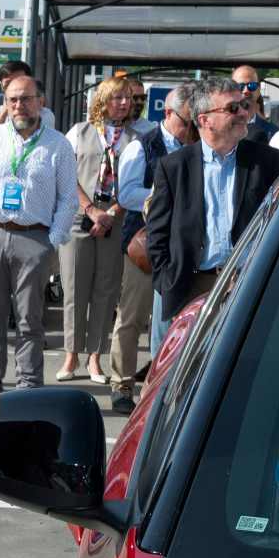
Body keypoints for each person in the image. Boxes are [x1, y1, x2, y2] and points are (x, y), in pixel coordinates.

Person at [0, 70, 79, 388]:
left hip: (33, 239)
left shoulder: (58, 145)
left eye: (26, 99)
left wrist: (51, 242)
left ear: (40, 102)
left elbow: (68, 199)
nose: (18, 105)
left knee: (29, 321)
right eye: (12, 100)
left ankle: (29, 387)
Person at [144, 78, 279, 327]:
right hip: (191, 288)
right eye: (232, 108)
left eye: (243, 105)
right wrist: (168, 284)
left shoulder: (267, 161)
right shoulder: (174, 167)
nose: (243, 113)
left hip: (249, 283)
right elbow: (157, 236)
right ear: (204, 120)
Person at [108, 81, 197, 413]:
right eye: (187, 121)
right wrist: (166, 196)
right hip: (144, 247)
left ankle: (164, 385)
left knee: (172, 320)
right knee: (132, 316)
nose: (192, 128)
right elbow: (126, 194)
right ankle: (122, 384)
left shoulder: (196, 145)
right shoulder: (141, 147)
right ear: (169, 113)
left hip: (181, 248)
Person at [58, 75, 138, 385]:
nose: (125, 103)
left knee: (105, 289)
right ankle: (71, 354)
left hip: (116, 218)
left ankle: (95, 356)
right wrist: (91, 210)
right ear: (102, 101)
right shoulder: (79, 132)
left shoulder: (137, 138)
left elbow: (136, 182)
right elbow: (66, 175)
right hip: (79, 216)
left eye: (128, 97)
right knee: (74, 287)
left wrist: (111, 214)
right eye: (118, 97)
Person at [231, 64, 276, 146]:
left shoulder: (273, 133)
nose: (246, 90)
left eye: (252, 85)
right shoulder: (219, 127)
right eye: (240, 86)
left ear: (258, 90)